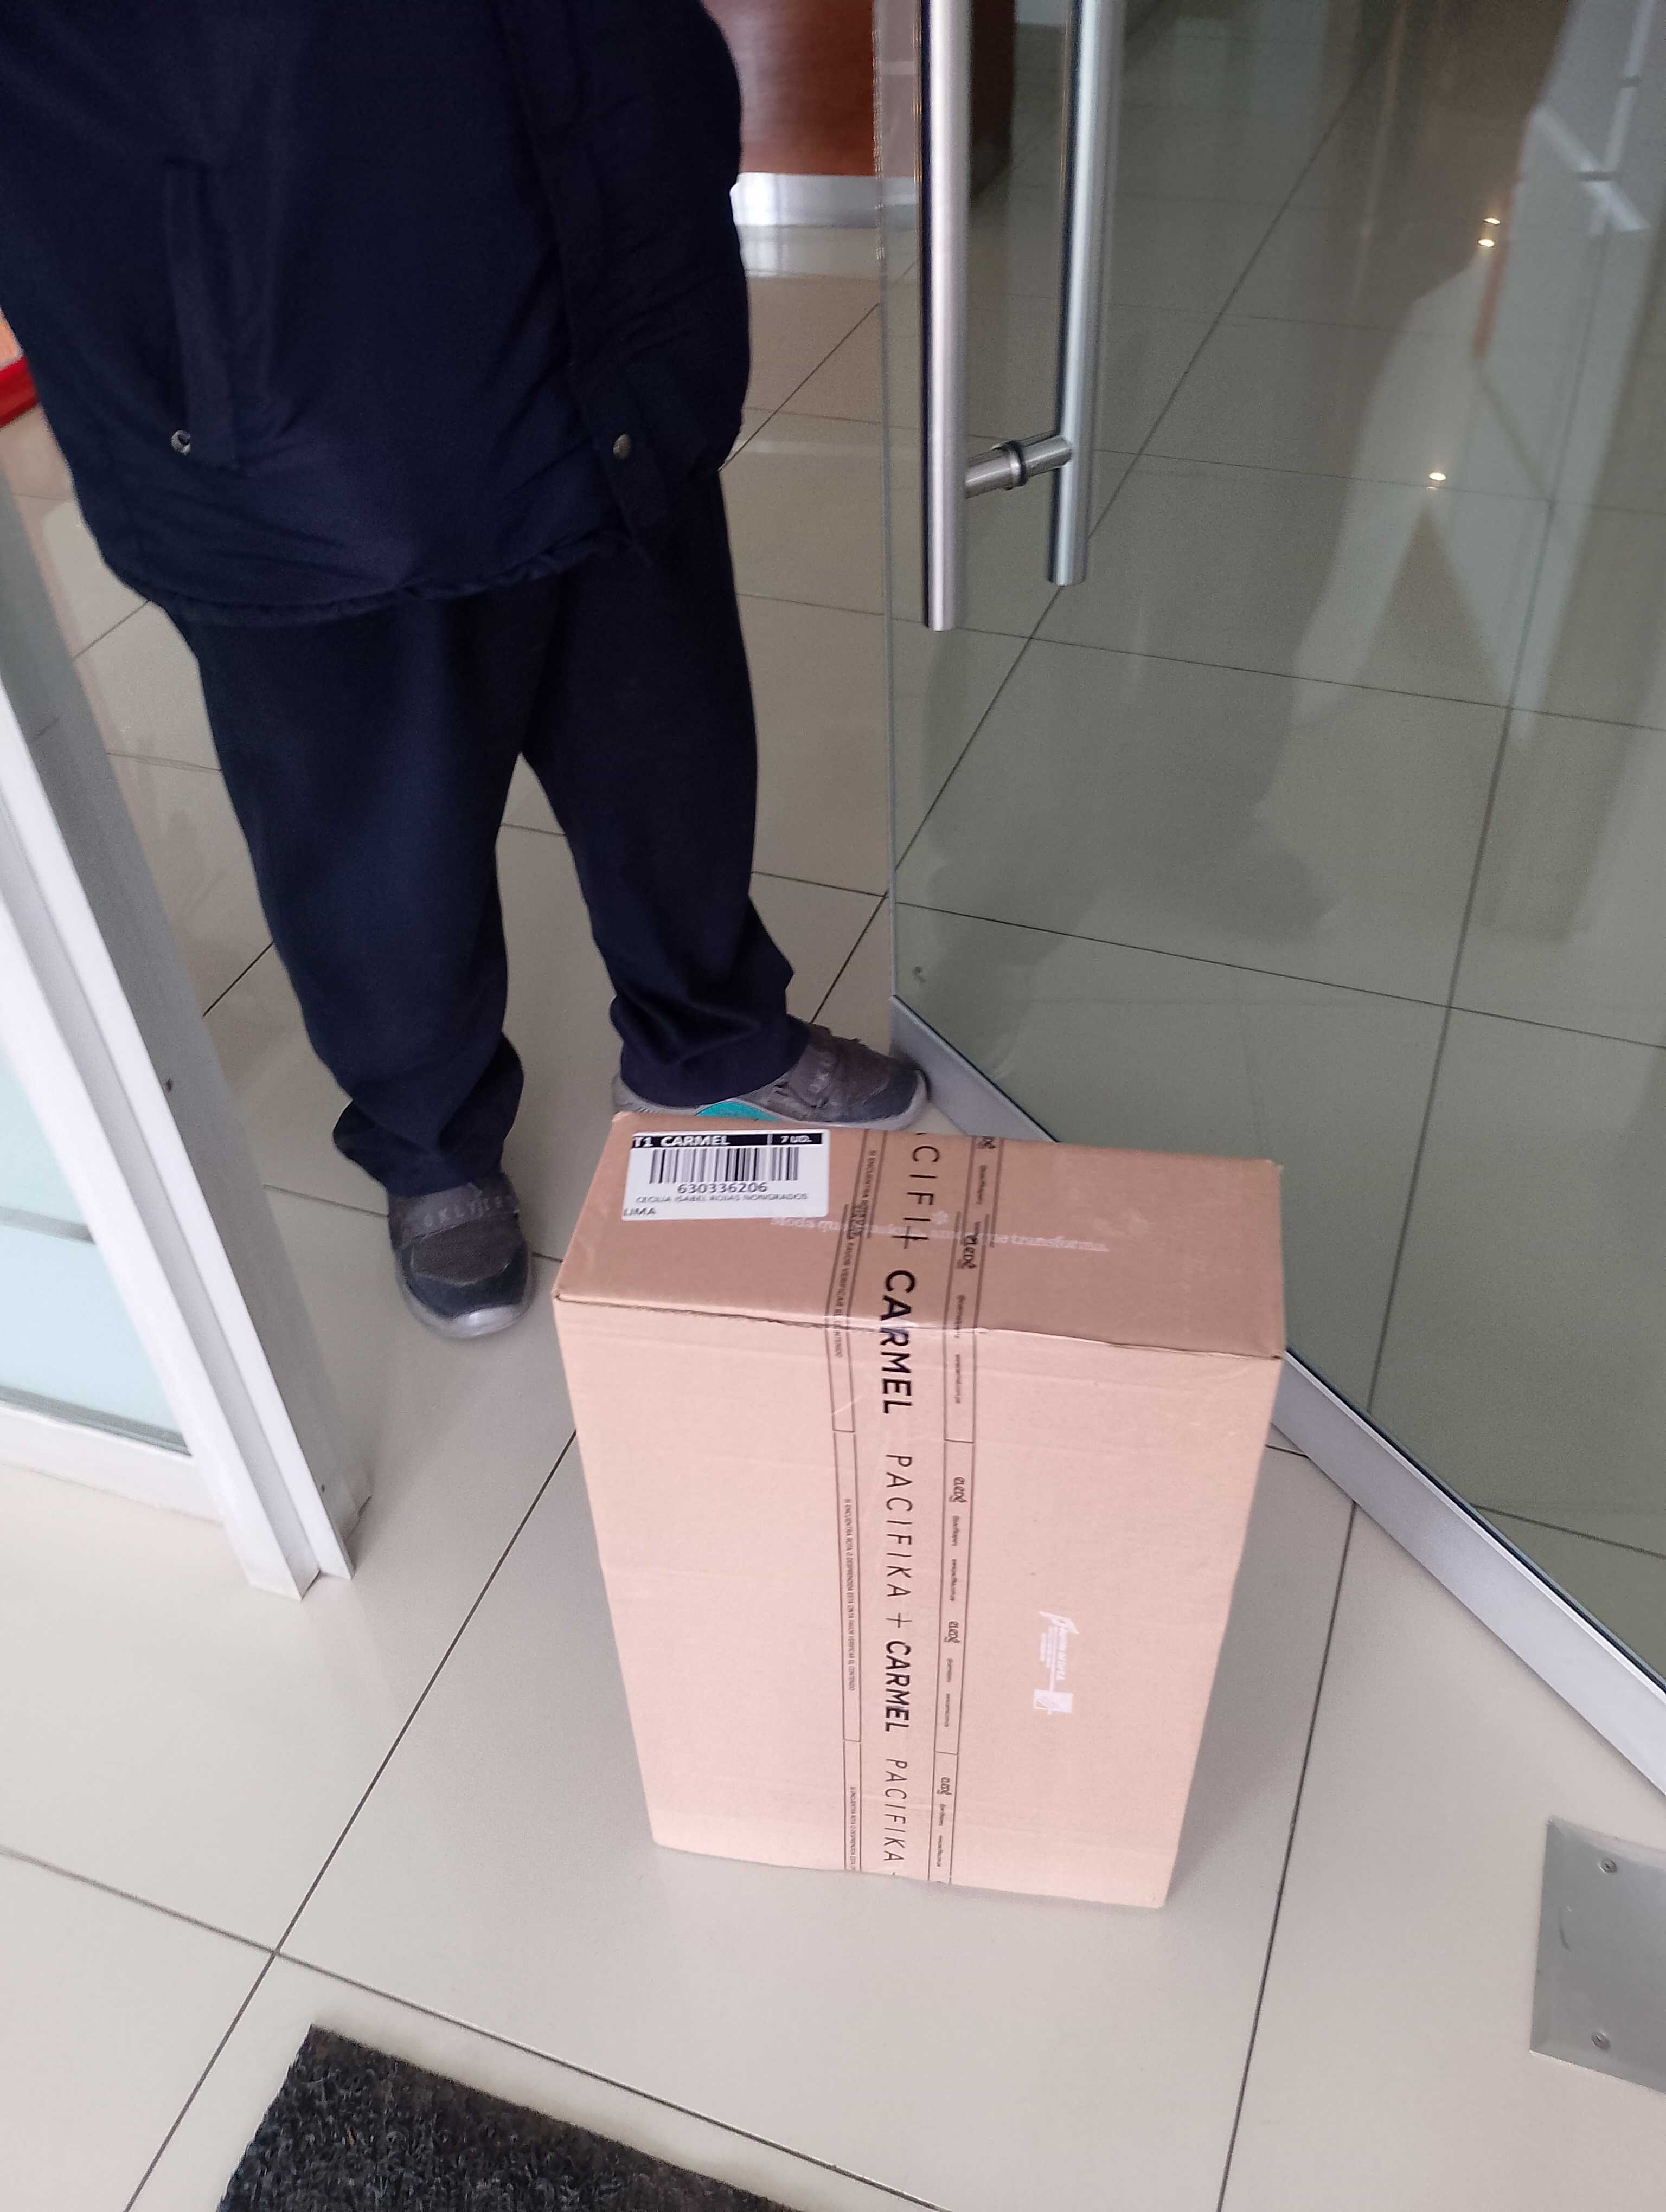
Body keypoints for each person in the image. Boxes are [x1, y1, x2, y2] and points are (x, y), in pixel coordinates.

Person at [0, 0, 926, 1339]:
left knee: (668, 741)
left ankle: (711, 1036)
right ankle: (432, 1139)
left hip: (602, 266)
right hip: (277, 339)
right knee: (372, 831)